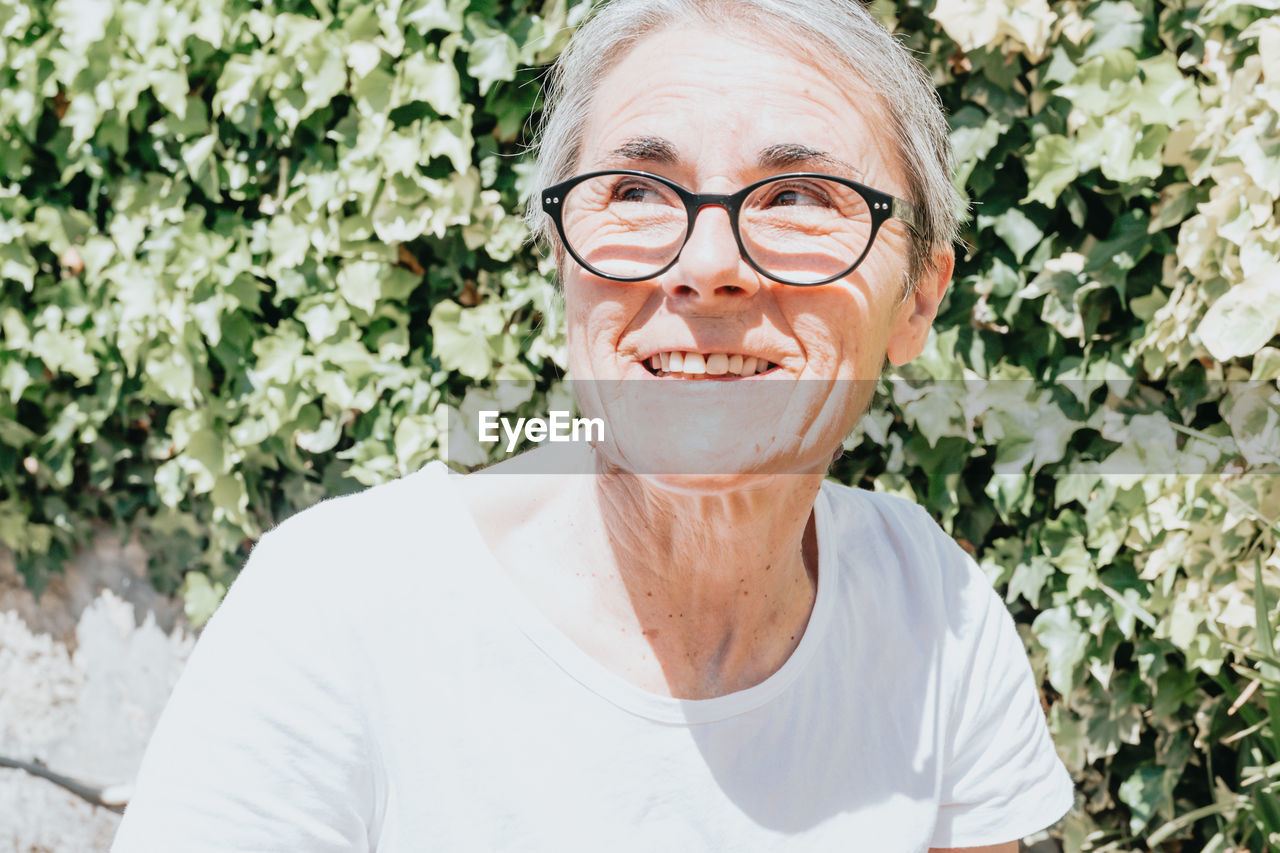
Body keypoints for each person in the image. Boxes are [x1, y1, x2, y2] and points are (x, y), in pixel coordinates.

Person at [112, 1, 1074, 851]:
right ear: (564, 263)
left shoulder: (931, 614)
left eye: (796, 197)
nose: (706, 264)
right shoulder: (338, 608)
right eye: (638, 192)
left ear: (918, 301)